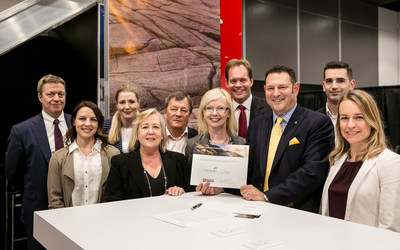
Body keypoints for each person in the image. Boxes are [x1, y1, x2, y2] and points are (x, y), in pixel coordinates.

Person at [240, 65, 334, 213]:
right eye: (270, 88)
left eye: (282, 87)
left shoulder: (317, 123)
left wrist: (267, 197)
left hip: (296, 213)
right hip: (256, 209)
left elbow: (311, 173)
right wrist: (220, 184)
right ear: (265, 90)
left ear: (295, 89)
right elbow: (248, 169)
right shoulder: (257, 124)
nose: (276, 93)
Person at [5, 74, 71, 250]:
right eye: (50, 94)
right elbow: (13, 173)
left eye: (60, 94)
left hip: (74, 207)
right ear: (40, 97)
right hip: (37, 206)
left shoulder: (78, 125)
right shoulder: (21, 130)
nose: (56, 98)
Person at [320, 90, 400, 232]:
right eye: (344, 118)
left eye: (359, 117)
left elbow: (390, 227)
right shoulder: (337, 160)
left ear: (372, 120)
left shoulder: (390, 163)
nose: (350, 125)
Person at [104, 108, 190, 201]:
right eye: (145, 127)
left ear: (162, 134)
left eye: (156, 127)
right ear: (136, 134)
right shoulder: (120, 163)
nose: (151, 132)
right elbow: (111, 200)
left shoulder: (179, 160)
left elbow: (192, 195)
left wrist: (182, 193)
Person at [47, 101, 120, 208]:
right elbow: (55, 201)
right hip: (69, 222)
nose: (87, 123)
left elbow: (117, 197)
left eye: (93, 120)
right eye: (82, 119)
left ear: (99, 124)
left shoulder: (113, 155)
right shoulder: (58, 158)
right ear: (74, 122)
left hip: (104, 221)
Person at [186, 88, 246, 194]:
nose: (214, 113)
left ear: (228, 113)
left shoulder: (242, 144)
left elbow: (245, 183)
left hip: (233, 204)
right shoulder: (192, 144)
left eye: (220, 108)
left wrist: (222, 189)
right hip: (200, 203)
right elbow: (188, 185)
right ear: (203, 113)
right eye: (209, 108)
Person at [225, 58, 271, 138]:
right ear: (226, 83)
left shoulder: (269, 108)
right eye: (233, 81)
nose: (238, 85)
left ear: (251, 81)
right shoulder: (221, 110)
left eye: (243, 80)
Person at [103, 84, 140, 153]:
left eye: (131, 102)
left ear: (138, 103)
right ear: (116, 105)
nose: (127, 107)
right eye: (122, 102)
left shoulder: (146, 126)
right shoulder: (104, 127)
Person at [317, 61, 356, 126]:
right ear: (324, 86)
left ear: (351, 85)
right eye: (329, 81)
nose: (334, 86)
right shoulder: (312, 120)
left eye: (340, 81)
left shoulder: (365, 117)